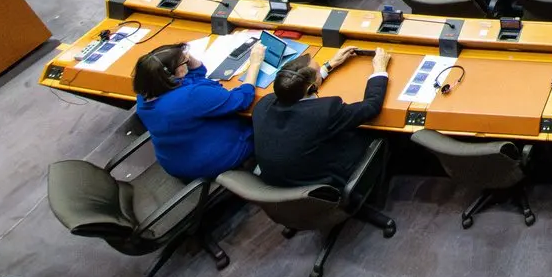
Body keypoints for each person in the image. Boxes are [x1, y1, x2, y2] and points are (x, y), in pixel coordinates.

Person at [252, 46, 391, 190]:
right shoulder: (326, 112)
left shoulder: (263, 103)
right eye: (318, 71)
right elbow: (371, 106)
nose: (320, 70)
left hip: (276, 181)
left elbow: (296, 87)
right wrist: (380, 69)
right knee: (374, 134)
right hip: (319, 184)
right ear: (311, 87)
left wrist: (330, 65)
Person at [132, 42, 261, 182]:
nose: (187, 61)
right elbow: (242, 99)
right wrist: (255, 63)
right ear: (173, 73)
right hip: (209, 162)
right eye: (184, 62)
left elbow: (198, 74)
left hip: (175, 161)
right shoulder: (191, 96)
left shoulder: (147, 93)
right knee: (264, 118)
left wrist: (183, 58)